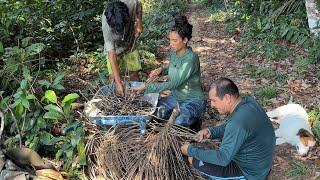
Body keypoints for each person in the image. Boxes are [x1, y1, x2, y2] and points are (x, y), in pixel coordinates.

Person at [180, 78, 275, 180]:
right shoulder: (248, 103)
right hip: (260, 164)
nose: (212, 105)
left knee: (193, 159)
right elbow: (231, 127)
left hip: (249, 173)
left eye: (214, 100)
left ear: (227, 98)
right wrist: (211, 132)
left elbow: (223, 158)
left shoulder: (237, 122)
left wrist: (190, 150)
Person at [131, 15, 205, 131]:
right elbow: (173, 66)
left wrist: (147, 87)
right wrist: (161, 70)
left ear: (185, 40)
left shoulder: (191, 58)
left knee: (178, 123)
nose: (171, 44)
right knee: (154, 115)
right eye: (170, 40)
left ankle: (195, 121)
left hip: (193, 100)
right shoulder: (174, 52)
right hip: (175, 97)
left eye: (174, 41)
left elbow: (174, 84)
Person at [102, 0, 143, 96]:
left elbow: (139, 5)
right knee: (113, 78)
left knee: (134, 73)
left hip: (129, 42)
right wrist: (118, 82)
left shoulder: (131, 3)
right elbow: (112, 55)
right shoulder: (106, 25)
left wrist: (139, 22)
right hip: (115, 48)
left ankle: (137, 96)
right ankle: (116, 97)